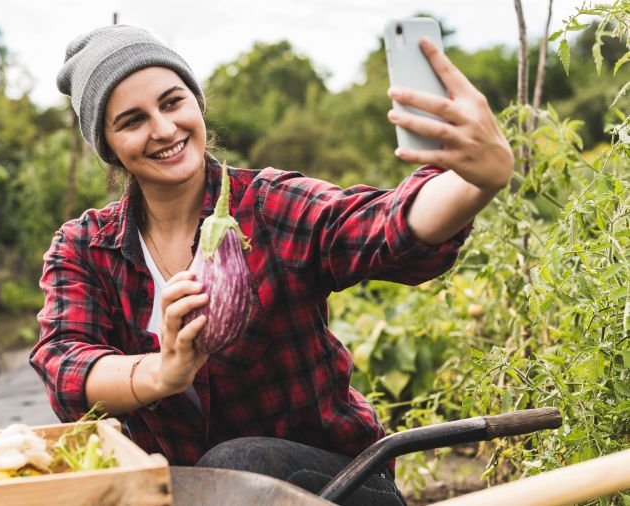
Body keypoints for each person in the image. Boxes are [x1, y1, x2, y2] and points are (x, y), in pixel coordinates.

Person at [30, 25, 513, 505]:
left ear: (197, 103)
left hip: (338, 484)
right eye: (132, 120)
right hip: (191, 497)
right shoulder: (86, 248)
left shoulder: (268, 206)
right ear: (108, 146)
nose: (163, 129)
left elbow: (381, 227)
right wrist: (163, 373)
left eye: (172, 102)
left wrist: (476, 182)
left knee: (238, 467)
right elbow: (65, 363)